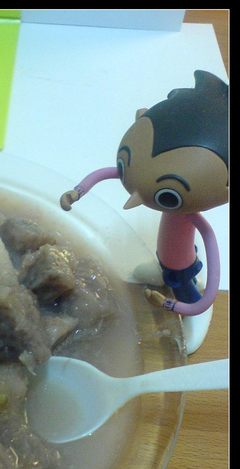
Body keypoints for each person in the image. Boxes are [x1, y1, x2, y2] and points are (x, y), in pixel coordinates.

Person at [60, 71, 228, 353]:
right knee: (166, 264)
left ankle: (189, 312)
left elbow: (210, 293)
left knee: (186, 289)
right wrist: (76, 192)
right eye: (125, 164)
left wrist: (170, 304)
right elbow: (103, 173)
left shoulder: (201, 224)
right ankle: (163, 272)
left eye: (168, 194)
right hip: (166, 259)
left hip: (182, 269)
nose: (138, 189)